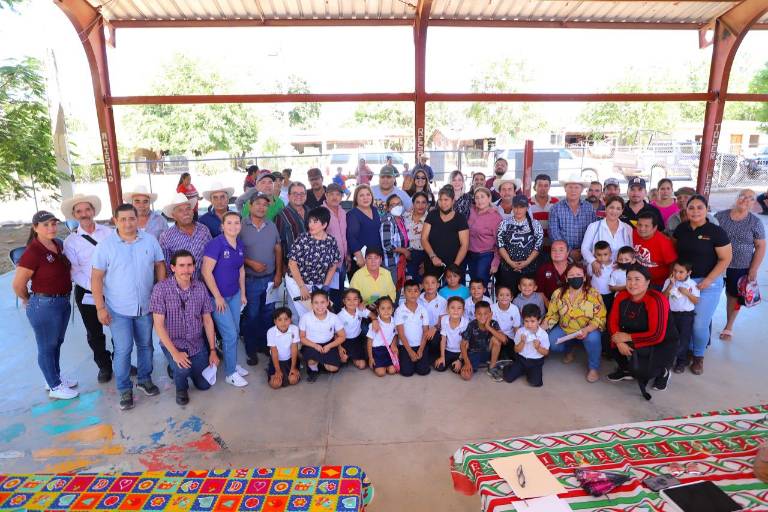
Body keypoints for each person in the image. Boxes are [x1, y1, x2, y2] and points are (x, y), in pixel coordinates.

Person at [91, 204, 166, 410]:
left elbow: (160, 264)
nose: (128, 223)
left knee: (146, 346)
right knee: (123, 350)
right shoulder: (105, 246)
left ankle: (144, 379)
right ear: (115, 221)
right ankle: (124, 389)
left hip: (146, 306)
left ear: (137, 219)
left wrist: (160, 292)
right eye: (122, 219)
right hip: (118, 309)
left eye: (131, 218)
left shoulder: (149, 240)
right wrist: (100, 308)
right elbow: (96, 278)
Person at [12, 211, 78, 399]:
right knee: (47, 346)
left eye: (53, 223)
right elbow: (17, 284)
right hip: (44, 305)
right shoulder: (32, 252)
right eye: (45, 225)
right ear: (35, 228)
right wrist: (29, 299)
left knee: (56, 343)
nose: (51, 228)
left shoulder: (58, 244)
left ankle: (54, 378)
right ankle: (55, 386)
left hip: (62, 301)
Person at [672, 194, 732, 375]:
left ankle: (698, 355)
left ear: (707, 209)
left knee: (699, 323)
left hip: (707, 284)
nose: (695, 211)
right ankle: (687, 351)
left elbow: (725, 258)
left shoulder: (716, 231)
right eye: (691, 207)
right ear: (686, 210)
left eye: (700, 207)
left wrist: (709, 280)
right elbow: (675, 252)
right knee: (685, 320)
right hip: (684, 282)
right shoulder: (681, 229)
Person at [151, 250, 219, 406]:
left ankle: (181, 367)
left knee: (204, 385)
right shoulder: (161, 289)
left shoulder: (200, 287)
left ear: (194, 267)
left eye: (189, 265)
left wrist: (213, 350)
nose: (186, 270)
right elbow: (158, 326)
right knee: (182, 369)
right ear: (173, 268)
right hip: (174, 344)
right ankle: (181, 386)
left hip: (196, 343)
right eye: (181, 265)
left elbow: (208, 321)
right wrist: (175, 353)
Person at [62, 194, 114, 383]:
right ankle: (104, 365)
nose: (84, 214)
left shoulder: (109, 233)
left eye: (87, 209)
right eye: (79, 211)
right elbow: (75, 271)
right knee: (94, 332)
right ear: (74, 215)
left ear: (93, 211)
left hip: (114, 289)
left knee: (119, 328)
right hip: (87, 292)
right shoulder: (70, 242)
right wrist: (96, 287)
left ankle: (121, 360)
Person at [607, 264, 678, 399]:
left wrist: (627, 337)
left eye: (637, 279)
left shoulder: (657, 300)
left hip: (660, 342)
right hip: (633, 336)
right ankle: (626, 368)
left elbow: (656, 335)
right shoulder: (621, 296)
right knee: (606, 338)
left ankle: (663, 372)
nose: (632, 283)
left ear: (647, 282)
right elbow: (612, 321)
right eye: (629, 279)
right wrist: (619, 341)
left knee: (642, 372)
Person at [201, 211, 248, 387]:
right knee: (230, 334)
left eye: (237, 222)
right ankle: (230, 373)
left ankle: (232, 363)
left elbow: (241, 270)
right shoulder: (216, 244)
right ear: (222, 226)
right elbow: (206, 272)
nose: (233, 226)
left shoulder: (240, 244)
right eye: (229, 223)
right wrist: (217, 296)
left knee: (235, 331)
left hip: (234, 295)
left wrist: (243, 293)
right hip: (218, 298)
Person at [714, 189, 765, 341]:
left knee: (734, 296)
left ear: (753, 203)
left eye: (750, 198)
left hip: (740, 267)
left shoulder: (755, 222)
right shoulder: (720, 216)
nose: (745, 200)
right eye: (742, 196)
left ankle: (729, 326)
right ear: (736, 198)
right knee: (711, 293)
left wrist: (753, 269)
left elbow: (760, 247)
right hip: (717, 264)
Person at [544, 263, 606, 383]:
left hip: (588, 329)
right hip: (566, 328)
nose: (575, 277)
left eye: (578, 274)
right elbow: (552, 315)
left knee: (593, 339)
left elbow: (600, 317)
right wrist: (541, 328)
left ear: (584, 277)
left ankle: (593, 368)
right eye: (571, 275)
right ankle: (569, 349)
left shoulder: (593, 294)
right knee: (551, 343)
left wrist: (586, 330)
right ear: (566, 278)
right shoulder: (558, 293)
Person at [240, 193, 282, 366]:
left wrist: (278, 273)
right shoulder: (241, 226)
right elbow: (234, 251)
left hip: (270, 279)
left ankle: (265, 345)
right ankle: (251, 349)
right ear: (250, 206)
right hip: (251, 280)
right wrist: (250, 263)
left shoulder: (271, 225)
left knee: (268, 314)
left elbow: (278, 248)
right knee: (252, 315)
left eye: (265, 204)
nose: (261, 207)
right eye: (257, 203)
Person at [287, 207, 341, 312]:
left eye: (315, 222)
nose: (310, 225)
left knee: (317, 313)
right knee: (299, 314)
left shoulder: (331, 241)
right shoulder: (303, 238)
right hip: (297, 283)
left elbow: (333, 265)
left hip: (318, 285)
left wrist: (325, 286)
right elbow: (292, 264)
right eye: (310, 221)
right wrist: (302, 287)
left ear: (324, 225)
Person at [496, 194, 544, 294]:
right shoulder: (504, 223)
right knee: (509, 295)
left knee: (528, 296)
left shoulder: (535, 224)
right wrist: (510, 262)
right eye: (516, 207)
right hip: (508, 268)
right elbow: (500, 245)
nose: (518, 210)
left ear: (527, 208)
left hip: (529, 268)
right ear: (512, 207)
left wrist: (527, 262)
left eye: (521, 207)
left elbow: (538, 246)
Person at [159, 193, 212, 280]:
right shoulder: (166, 237)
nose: (186, 213)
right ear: (173, 216)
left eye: (188, 208)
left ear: (192, 211)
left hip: (204, 284)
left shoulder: (204, 230)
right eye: (180, 210)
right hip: (179, 286)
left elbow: (212, 257)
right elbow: (167, 268)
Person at [299, 289, 346, 382]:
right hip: (311, 345)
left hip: (328, 344)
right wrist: (315, 345)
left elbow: (342, 336)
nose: (319, 306)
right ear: (311, 304)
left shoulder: (333, 317)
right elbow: (302, 338)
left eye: (322, 302)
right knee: (312, 360)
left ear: (328, 303)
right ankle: (313, 369)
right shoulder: (305, 317)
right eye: (316, 303)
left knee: (334, 368)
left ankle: (319, 364)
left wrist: (329, 346)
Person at [422, 186, 470, 277]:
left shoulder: (460, 218)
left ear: (453, 201)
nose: (443, 203)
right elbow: (424, 238)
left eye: (446, 200)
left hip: (454, 265)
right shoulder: (432, 215)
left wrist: (455, 266)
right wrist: (433, 257)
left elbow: (465, 245)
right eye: (440, 200)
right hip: (432, 262)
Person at [548, 175, 597, 261]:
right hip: (563, 255)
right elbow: (554, 233)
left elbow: (593, 232)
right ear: (565, 189)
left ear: (582, 190)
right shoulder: (555, 208)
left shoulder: (589, 208)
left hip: (586, 255)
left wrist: (584, 250)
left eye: (577, 187)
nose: (573, 190)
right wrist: (569, 251)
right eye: (570, 187)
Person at [581, 196, 633, 277]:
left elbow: (630, 251)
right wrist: (593, 262)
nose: (614, 211)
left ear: (622, 211)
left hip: (620, 273)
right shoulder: (593, 226)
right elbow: (584, 248)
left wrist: (622, 264)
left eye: (618, 208)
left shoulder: (627, 228)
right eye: (611, 207)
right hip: (598, 272)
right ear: (606, 208)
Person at [663, 260, 700, 374]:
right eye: (675, 271)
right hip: (671, 314)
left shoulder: (692, 284)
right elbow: (663, 297)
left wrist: (687, 293)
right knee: (669, 337)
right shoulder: (669, 281)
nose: (677, 274)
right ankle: (667, 361)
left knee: (684, 339)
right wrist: (670, 285)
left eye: (681, 272)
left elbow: (696, 301)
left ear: (689, 273)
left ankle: (681, 362)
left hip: (686, 316)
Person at [502, 304, 549, 387]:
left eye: (532, 321)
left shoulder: (543, 334)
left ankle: (528, 371)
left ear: (539, 321)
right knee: (508, 378)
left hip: (536, 361)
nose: (529, 325)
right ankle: (511, 367)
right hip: (521, 359)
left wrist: (538, 347)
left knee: (535, 383)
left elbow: (546, 353)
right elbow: (516, 349)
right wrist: (522, 342)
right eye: (526, 321)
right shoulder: (520, 332)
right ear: (523, 320)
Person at [458, 301, 504, 381]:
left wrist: (488, 326)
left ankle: (492, 367)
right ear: (475, 314)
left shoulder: (494, 323)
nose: (482, 316)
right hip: (474, 354)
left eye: (485, 314)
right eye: (479, 314)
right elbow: (462, 344)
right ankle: (481, 363)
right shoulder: (472, 325)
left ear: (490, 314)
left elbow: (503, 339)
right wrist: (467, 362)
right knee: (466, 376)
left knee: (496, 339)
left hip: (488, 352)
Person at [466, 187, 502, 287]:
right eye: (477, 197)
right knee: (474, 285)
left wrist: (496, 262)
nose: (479, 200)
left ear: (489, 198)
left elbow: (499, 242)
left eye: (482, 197)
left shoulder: (495, 217)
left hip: (486, 255)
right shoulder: (471, 211)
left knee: (480, 285)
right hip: (470, 254)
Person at [632, 211, 678, 289]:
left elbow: (672, 263)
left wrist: (669, 284)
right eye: (639, 225)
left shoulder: (664, 242)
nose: (642, 229)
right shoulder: (633, 233)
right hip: (638, 280)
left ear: (654, 228)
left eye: (646, 226)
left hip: (658, 284)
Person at [394, 280, 431, 377]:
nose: (413, 294)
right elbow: (401, 334)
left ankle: (421, 359)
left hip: (420, 345)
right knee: (407, 372)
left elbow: (425, 331)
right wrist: (410, 352)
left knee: (423, 371)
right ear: (403, 292)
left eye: (415, 291)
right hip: (405, 346)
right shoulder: (399, 311)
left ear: (419, 292)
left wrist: (421, 349)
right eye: (409, 291)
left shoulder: (423, 310)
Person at [323, 183, 348, 311]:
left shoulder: (343, 212)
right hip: (327, 264)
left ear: (341, 197)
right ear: (326, 195)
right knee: (326, 297)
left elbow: (344, 236)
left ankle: (337, 319)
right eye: (331, 194)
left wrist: (347, 256)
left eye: (338, 194)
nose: (334, 197)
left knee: (339, 295)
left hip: (342, 262)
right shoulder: (321, 212)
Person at [346, 184, 382, 273]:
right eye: (361, 195)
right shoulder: (352, 214)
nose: (365, 198)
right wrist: (359, 257)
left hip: (376, 257)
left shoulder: (375, 210)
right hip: (361, 259)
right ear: (356, 198)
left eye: (368, 194)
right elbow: (351, 237)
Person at [380, 194, 410, 293]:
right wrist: (403, 251)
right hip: (391, 264)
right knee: (391, 293)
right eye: (393, 205)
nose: (396, 207)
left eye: (398, 204)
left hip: (400, 262)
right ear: (388, 208)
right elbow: (386, 245)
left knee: (398, 291)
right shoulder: (388, 222)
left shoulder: (401, 219)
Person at [266, 307, 301, 389]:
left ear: (290, 320)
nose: (283, 322)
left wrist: (293, 368)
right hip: (276, 360)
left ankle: (295, 369)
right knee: (275, 384)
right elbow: (274, 352)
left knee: (293, 380)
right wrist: (277, 371)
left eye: (286, 319)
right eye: (279, 320)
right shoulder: (271, 332)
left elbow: (294, 349)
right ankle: (272, 370)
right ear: (275, 322)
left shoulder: (294, 329)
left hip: (290, 359)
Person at [275, 182, 309, 262]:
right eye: (295, 193)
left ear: (306, 196)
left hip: (311, 263)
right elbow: (278, 243)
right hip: (291, 264)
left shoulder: (311, 212)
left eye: (302, 193)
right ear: (288, 196)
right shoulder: (281, 215)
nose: (299, 196)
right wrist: (282, 266)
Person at [338, 288, 371, 370]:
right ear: (344, 301)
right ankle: (348, 356)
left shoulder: (360, 310)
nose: (352, 302)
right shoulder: (340, 316)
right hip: (344, 341)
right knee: (342, 361)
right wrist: (339, 347)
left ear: (359, 301)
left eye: (355, 299)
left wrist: (375, 320)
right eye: (348, 299)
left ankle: (352, 357)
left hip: (357, 340)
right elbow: (335, 334)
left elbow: (372, 315)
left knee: (362, 365)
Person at [435, 297, 468, 373]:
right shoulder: (444, 319)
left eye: (459, 308)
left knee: (458, 370)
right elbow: (443, 339)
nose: (456, 311)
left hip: (460, 352)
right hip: (448, 350)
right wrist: (442, 357)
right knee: (439, 367)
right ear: (447, 310)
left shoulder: (466, 323)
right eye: (452, 308)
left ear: (463, 311)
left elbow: (466, 343)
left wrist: (460, 360)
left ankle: (455, 362)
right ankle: (447, 361)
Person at [367, 296, 398, 377]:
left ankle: (386, 366)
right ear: (378, 310)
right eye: (383, 308)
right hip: (377, 351)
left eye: (389, 308)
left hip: (388, 350)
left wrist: (394, 344)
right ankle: (380, 365)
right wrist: (370, 358)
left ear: (393, 309)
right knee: (381, 373)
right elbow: (369, 341)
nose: (386, 311)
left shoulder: (394, 321)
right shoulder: (374, 324)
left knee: (392, 371)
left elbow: (395, 334)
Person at [529, 174, 559, 254]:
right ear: (535, 186)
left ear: (549, 187)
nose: (543, 188)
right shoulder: (528, 203)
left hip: (553, 248)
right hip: (533, 249)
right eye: (540, 185)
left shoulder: (556, 203)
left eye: (546, 185)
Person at [404, 192, 429, 283]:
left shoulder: (431, 219)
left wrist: (426, 262)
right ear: (413, 204)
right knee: (408, 284)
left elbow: (434, 241)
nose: (420, 205)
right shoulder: (405, 216)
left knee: (422, 284)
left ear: (427, 204)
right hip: (407, 255)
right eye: (417, 202)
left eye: (423, 202)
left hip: (424, 255)